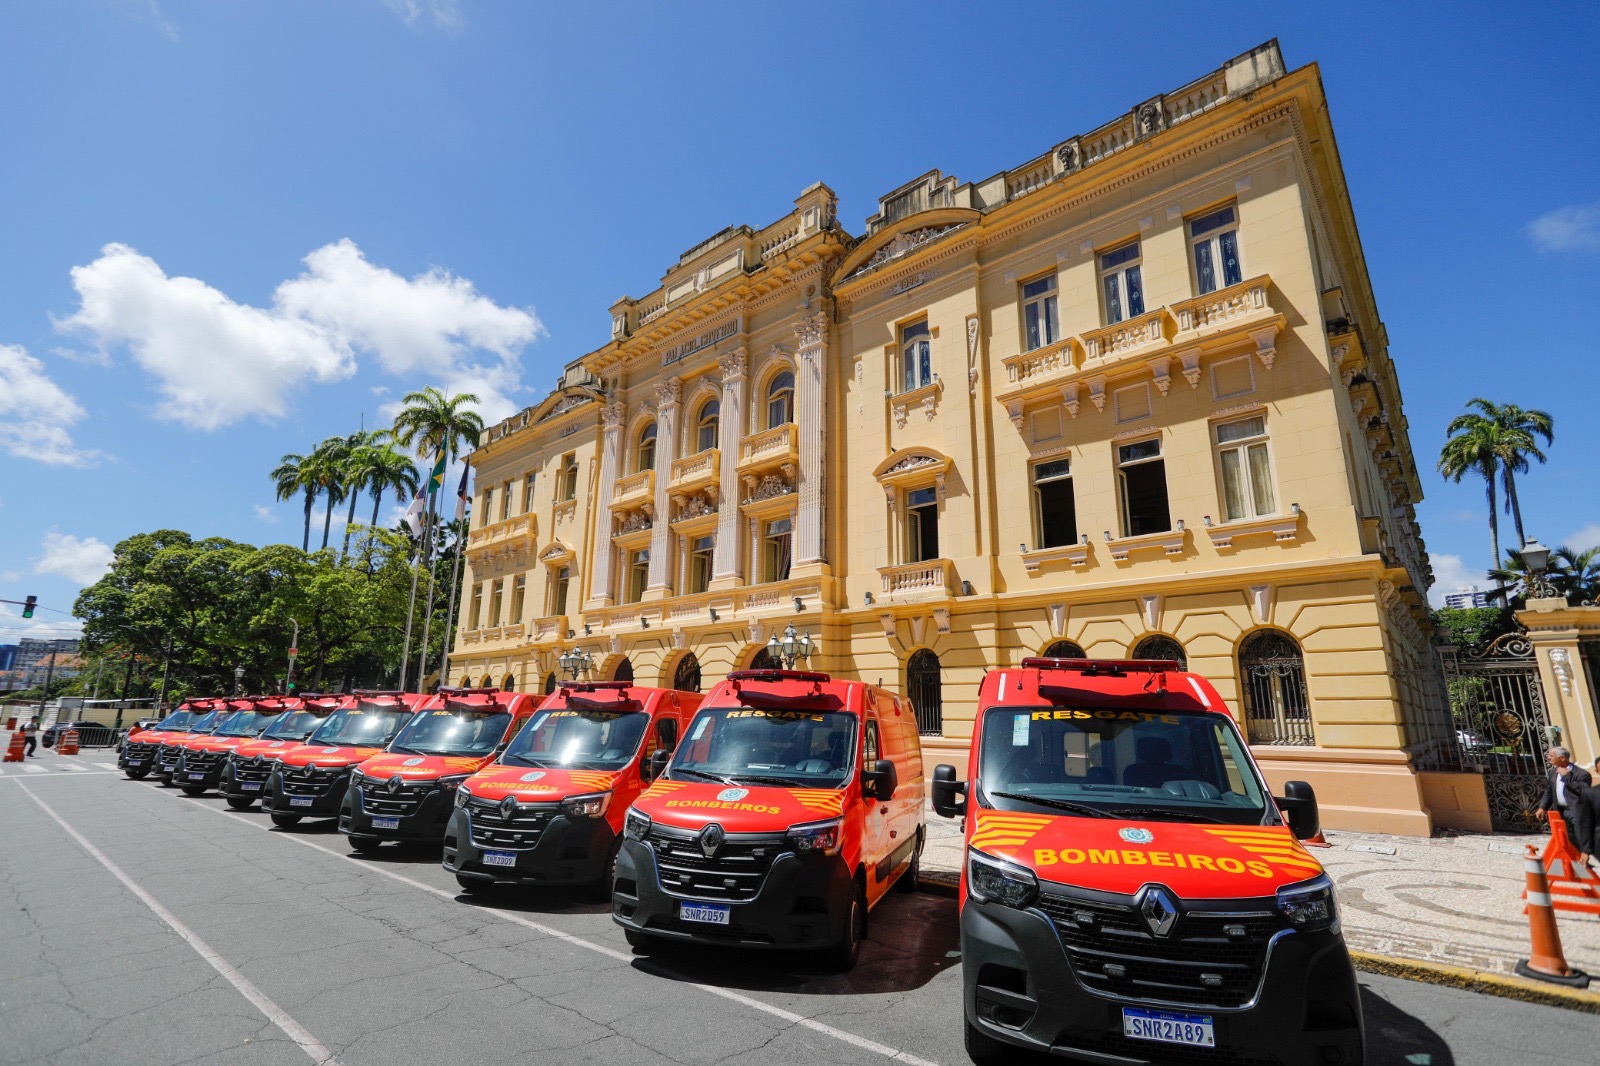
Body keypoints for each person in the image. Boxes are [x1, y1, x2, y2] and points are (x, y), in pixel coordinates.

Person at [1534, 745, 1591, 841]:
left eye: (1551, 756)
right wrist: (1542, 807)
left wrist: (1566, 776)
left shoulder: (1582, 774)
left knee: (1581, 838)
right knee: (1568, 838)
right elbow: (1549, 791)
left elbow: (1581, 790)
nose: (1548, 758)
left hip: (1576, 811)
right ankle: (1574, 856)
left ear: (1562, 758)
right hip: (1561, 811)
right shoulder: (1553, 772)